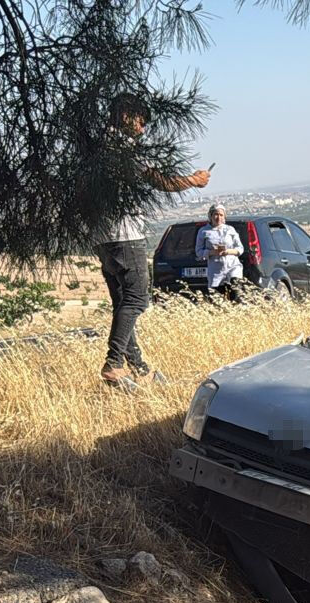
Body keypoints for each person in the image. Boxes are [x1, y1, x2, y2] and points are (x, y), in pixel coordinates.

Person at [96, 93, 209, 388]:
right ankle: (114, 363)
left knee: (123, 301)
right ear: (125, 116)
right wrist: (193, 181)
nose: (143, 128)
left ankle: (140, 368)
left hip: (100, 236)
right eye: (141, 121)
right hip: (125, 233)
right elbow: (159, 180)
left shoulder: (95, 147)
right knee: (137, 298)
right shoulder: (123, 148)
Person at [193, 204, 243, 296]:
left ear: (224, 217)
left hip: (233, 267)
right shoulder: (204, 231)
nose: (218, 217)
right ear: (211, 216)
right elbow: (198, 252)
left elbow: (240, 248)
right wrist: (212, 252)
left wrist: (228, 252)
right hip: (216, 270)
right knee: (217, 299)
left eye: (221, 215)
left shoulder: (230, 230)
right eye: (216, 214)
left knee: (236, 295)